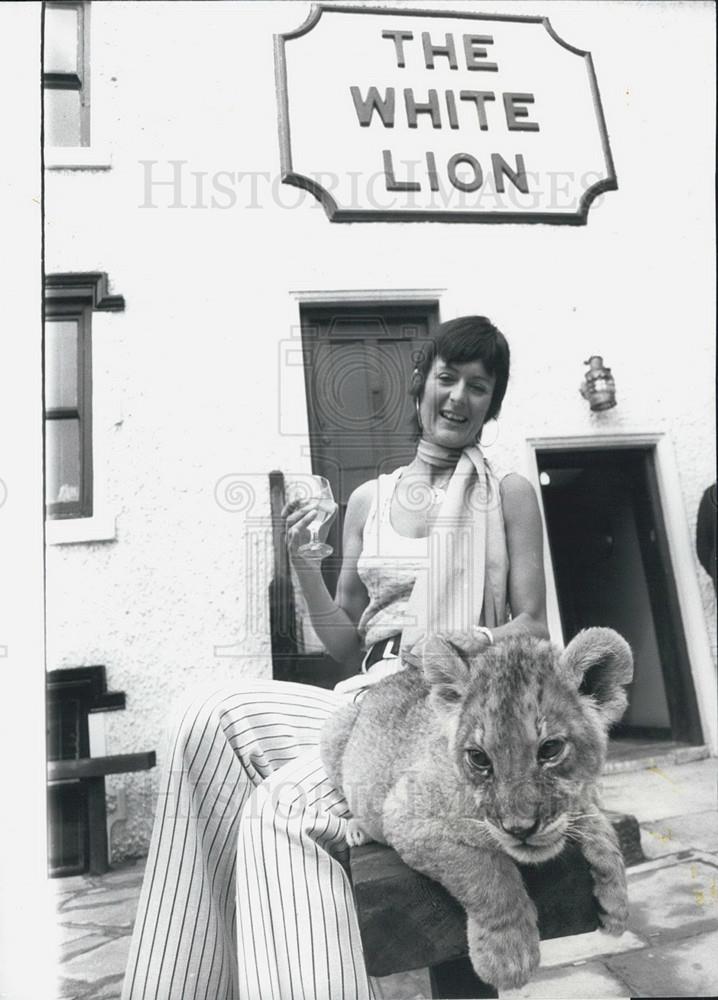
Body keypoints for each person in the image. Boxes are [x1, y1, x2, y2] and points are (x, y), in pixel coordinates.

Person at [122, 316, 548, 1000]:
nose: (459, 397)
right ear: (420, 385)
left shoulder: (509, 494)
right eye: (447, 377)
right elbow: (345, 640)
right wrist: (301, 560)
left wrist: (464, 642)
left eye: (479, 386)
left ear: (490, 406)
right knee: (199, 721)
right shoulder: (368, 501)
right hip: (366, 694)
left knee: (284, 806)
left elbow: (536, 625)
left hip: (451, 709)